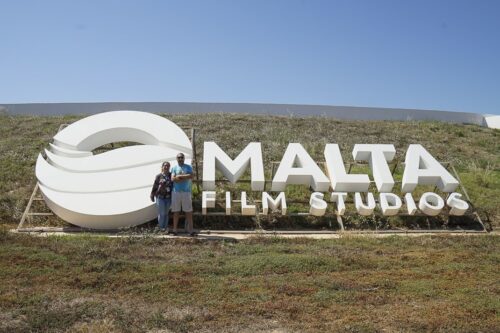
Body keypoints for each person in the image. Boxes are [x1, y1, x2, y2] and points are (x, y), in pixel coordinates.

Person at [171, 153, 196, 236]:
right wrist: (184, 177)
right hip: (176, 192)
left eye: (182, 157)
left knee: (188, 211)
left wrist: (180, 176)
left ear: (184, 158)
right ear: (176, 158)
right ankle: (175, 230)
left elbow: (191, 175)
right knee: (176, 211)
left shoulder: (188, 167)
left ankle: (191, 230)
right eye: (179, 157)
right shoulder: (174, 168)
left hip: (186, 192)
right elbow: (173, 178)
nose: (180, 158)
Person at [150, 161, 173, 232]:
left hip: (168, 197)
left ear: (169, 167)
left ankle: (165, 227)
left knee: (166, 213)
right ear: (162, 167)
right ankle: (161, 228)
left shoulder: (171, 175)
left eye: (168, 166)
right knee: (161, 213)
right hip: (160, 197)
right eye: (165, 166)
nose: (166, 167)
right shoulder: (159, 176)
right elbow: (155, 186)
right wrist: (152, 195)